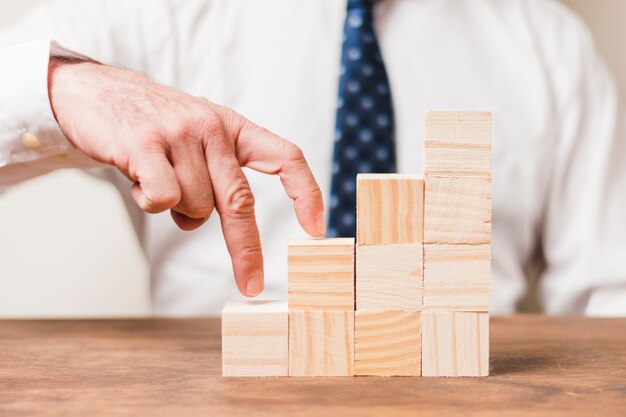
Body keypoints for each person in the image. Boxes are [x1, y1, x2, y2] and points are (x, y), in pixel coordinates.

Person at [1, 0, 625, 316]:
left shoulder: (547, 41)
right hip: (216, 386)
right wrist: (63, 86)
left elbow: (610, 297)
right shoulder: (152, 12)